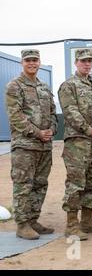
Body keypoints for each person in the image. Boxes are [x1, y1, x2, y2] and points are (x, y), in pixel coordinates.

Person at [5, 49, 57, 240]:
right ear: (22, 62)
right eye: (28, 60)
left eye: (35, 60)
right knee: (23, 185)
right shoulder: (14, 86)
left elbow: (52, 112)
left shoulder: (44, 87)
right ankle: (22, 224)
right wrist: (37, 132)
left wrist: (52, 129)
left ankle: (33, 220)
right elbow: (15, 115)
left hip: (44, 146)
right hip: (25, 145)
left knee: (40, 184)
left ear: (40, 62)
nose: (32, 63)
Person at [58, 48, 92, 241]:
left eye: (89, 61)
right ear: (76, 63)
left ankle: (87, 221)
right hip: (77, 144)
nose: (87, 64)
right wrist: (89, 130)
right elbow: (70, 112)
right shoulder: (68, 85)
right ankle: (72, 225)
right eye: (83, 61)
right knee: (76, 184)